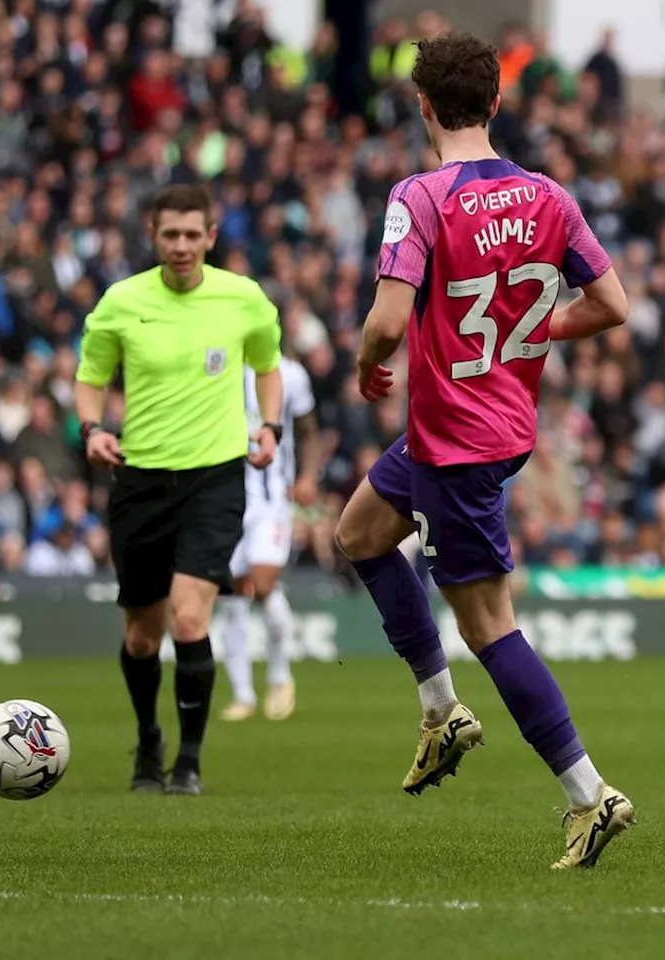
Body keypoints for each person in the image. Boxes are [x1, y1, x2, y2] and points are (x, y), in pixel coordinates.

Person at [333, 32, 635, 870]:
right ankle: (441, 711)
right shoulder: (549, 196)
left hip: (455, 441)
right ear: (496, 103)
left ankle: (590, 795)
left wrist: (367, 363)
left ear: (422, 106)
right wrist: (530, 330)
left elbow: (389, 321)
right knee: (358, 532)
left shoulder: (420, 195)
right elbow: (612, 304)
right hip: (482, 426)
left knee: (489, 624)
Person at [75, 183, 283, 796]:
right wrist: (91, 428)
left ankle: (188, 763)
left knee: (190, 618)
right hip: (139, 480)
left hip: (216, 478)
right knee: (142, 634)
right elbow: (89, 379)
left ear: (211, 237)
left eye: (194, 234)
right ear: (153, 235)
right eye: (172, 235)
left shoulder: (244, 299)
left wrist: (268, 426)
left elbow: (267, 367)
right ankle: (148, 739)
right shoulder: (120, 303)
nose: (183, 246)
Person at [217, 354, 321, 722]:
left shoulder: (290, 372)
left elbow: (308, 430)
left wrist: (308, 477)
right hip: (225, 499)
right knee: (230, 594)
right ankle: (242, 694)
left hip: (271, 498)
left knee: (262, 585)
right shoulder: (219, 364)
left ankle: (280, 676)